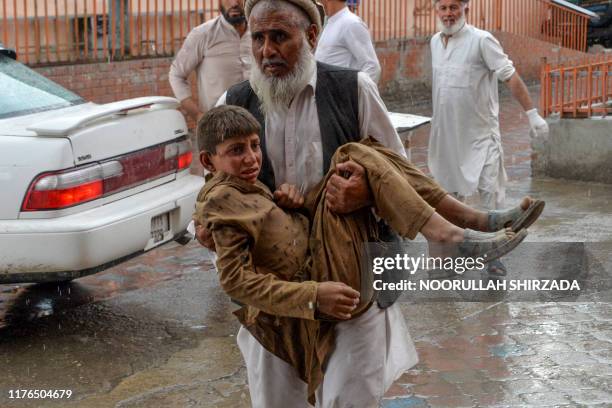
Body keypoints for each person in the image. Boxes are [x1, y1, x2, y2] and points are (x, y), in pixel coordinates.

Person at [195, 0, 544, 406]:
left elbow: (396, 172)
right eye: (258, 38)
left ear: (310, 37)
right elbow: (212, 196)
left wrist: (363, 194)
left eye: (279, 37)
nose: (267, 51)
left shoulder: (353, 89)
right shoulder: (233, 103)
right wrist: (206, 231)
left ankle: (458, 226)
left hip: (351, 277)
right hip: (277, 292)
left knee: (352, 398)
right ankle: (459, 226)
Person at [428, 0, 547, 274]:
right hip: (446, 136)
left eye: (453, 7)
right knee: (449, 198)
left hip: (481, 135)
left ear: (465, 9)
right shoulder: (435, 42)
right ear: (437, 10)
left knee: (489, 194)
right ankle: (453, 256)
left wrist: (531, 113)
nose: (448, 14)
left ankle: (494, 257)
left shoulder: (482, 40)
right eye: (443, 8)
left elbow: (511, 77)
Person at [169, 0, 251, 123]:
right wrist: (197, 115)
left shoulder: (259, 34)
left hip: (257, 123)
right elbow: (176, 75)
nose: (234, 4)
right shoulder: (203, 34)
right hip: (219, 126)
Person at [315, 0, 381, 83]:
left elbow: (372, 67)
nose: (319, 3)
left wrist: (353, 94)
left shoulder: (351, 23)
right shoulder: (330, 22)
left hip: (340, 94)